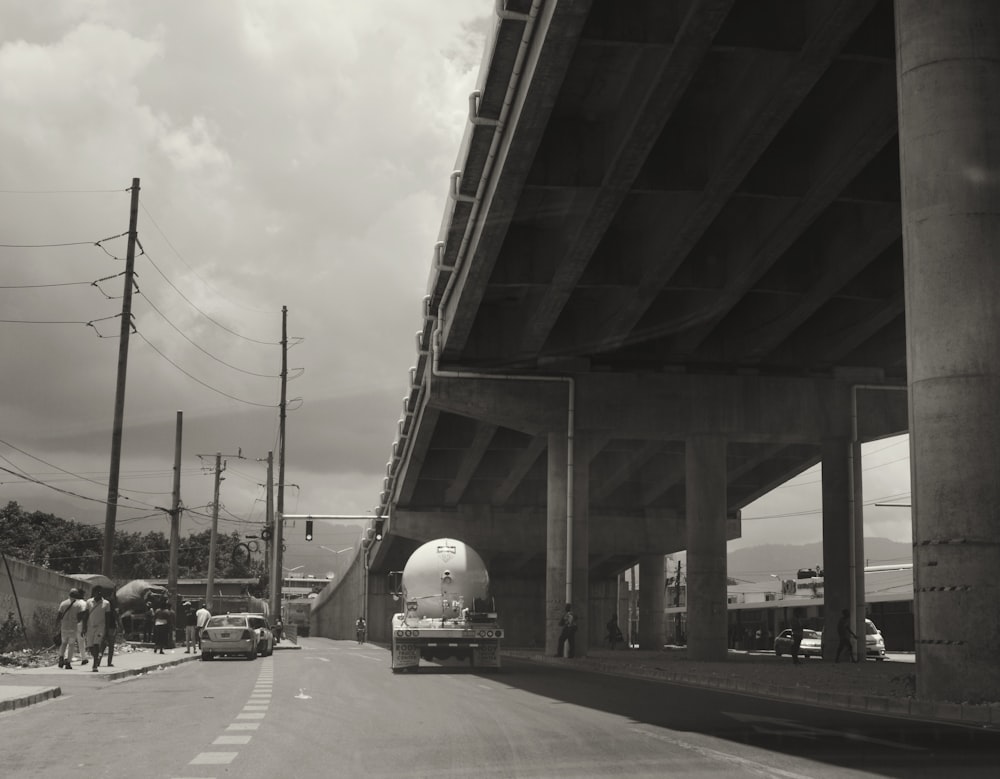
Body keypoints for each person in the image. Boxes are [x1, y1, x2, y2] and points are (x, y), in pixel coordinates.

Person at [55, 588, 87, 669]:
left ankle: (61, 658)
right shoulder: (78, 605)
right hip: (73, 627)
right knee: (71, 645)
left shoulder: (63, 603)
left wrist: (56, 625)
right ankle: (68, 662)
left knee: (63, 643)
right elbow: (80, 617)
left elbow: (59, 615)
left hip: (64, 627)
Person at [82, 587, 111, 672]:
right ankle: (96, 656)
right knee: (90, 646)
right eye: (96, 592)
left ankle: (95, 665)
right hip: (90, 627)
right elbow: (86, 615)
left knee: (96, 644)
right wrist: (84, 627)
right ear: (93, 593)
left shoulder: (106, 603)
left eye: (99, 592)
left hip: (100, 627)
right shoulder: (89, 602)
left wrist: (107, 629)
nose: (98, 594)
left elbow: (108, 617)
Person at [101, 595, 119, 667]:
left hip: (104, 628)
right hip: (112, 629)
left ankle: (98, 661)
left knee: (102, 646)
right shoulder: (114, 611)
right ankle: (109, 662)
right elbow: (117, 619)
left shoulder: (103, 610)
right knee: (111, 647)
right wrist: (121, 627)